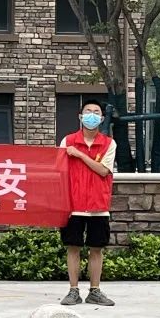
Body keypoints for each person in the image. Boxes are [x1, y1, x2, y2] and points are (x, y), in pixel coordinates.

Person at [59, 98, 116, 307]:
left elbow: (103, 170)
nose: (92, 115)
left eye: (96, 112)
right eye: (88, 111)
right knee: (73, 247)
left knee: (96, 248)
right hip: (73, 205)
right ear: (80, 116)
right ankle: (73, 290)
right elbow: (59, 171)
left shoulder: (109, 143)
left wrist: (80, 155)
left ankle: (95, 290)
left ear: (101, 118)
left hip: (98, 206)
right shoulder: (67, 141)